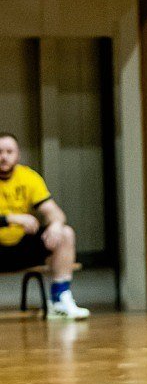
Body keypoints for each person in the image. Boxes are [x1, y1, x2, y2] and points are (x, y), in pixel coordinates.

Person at [0, 133, 89, 320]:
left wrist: (55, 224)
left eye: (9, 151)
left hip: (21, 248)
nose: (4, 157)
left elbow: (55, 212)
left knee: (65, 233)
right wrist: (11, 219)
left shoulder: (28, 177)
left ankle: (59, 300)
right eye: (0, 152)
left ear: (18, 154)